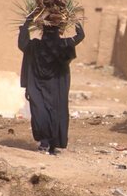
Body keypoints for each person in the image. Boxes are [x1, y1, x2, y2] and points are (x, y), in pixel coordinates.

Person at [18, 10, 85, 155]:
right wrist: (74, 20)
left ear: (43, 30)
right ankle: (53, 145)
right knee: (56, 112)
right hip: (57, 86)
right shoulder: (64, 44)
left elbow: (22, 42)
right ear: (58, 31)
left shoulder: (35, 46)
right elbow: (80, 36)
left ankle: (45, 143)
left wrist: (28, 21)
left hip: (37, 86)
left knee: (40, 112)